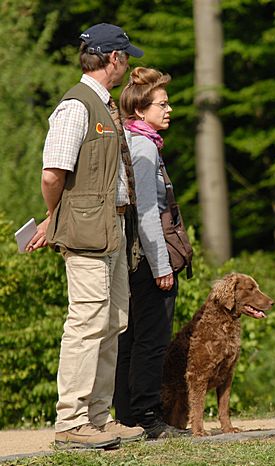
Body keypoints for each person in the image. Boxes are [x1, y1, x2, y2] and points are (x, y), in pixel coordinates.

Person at [26, 23, 146, 449]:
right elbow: (52, 174)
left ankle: (97, 418)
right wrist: (56, 216)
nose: (127, 63)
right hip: (88, 231)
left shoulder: (103, 104)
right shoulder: (76, 106)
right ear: (113, 58)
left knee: (112, 321)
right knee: (86, 322)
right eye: (125, 56)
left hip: (111, 227)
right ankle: (71, 421)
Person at [113, 67, 189, 438]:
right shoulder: (143, 147)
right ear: (141, 110)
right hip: (146, 258)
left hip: (127, 257)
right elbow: (145, 211)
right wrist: (162, 266)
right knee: (152, 339)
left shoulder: (128, 140)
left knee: (128, 338)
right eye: (162, 104)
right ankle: (148, 418)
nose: (169, 109)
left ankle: (127, 416)